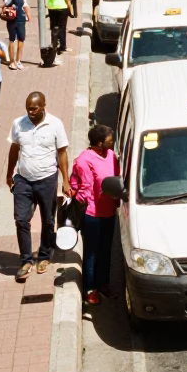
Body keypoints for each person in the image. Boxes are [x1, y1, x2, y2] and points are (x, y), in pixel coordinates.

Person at [6, 91, 70, 281]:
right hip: (23, 180)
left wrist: (65, 179)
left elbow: (62, 153)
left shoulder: (55, 124)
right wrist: (9, 174)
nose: (30, 112)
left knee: (48, 220)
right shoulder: (19, 123)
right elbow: (14, 149)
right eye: (28, 109)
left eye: (33, 108)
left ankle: (44, 255)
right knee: (21, 219)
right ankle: (26, 260)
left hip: (47, 179)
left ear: (43, 106)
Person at [70, 125, 119, 305]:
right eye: (109, 138)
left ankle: (103, 284)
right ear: (99, 142)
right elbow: (80, 187)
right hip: (92, 214)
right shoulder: (83, 160)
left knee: (106, 251)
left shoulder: (112, 156)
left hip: (109, 212)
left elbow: (117, 179)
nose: (112, 141)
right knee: (92, 253)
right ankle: (90, 289)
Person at [2, 0, 30, 70]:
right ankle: (12, 61)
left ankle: (18, 60)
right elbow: (6, 1)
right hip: (12, 18)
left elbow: (25, 3)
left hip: (21, 18)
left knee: (21, 39)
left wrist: (28, 15)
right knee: (12, 39)